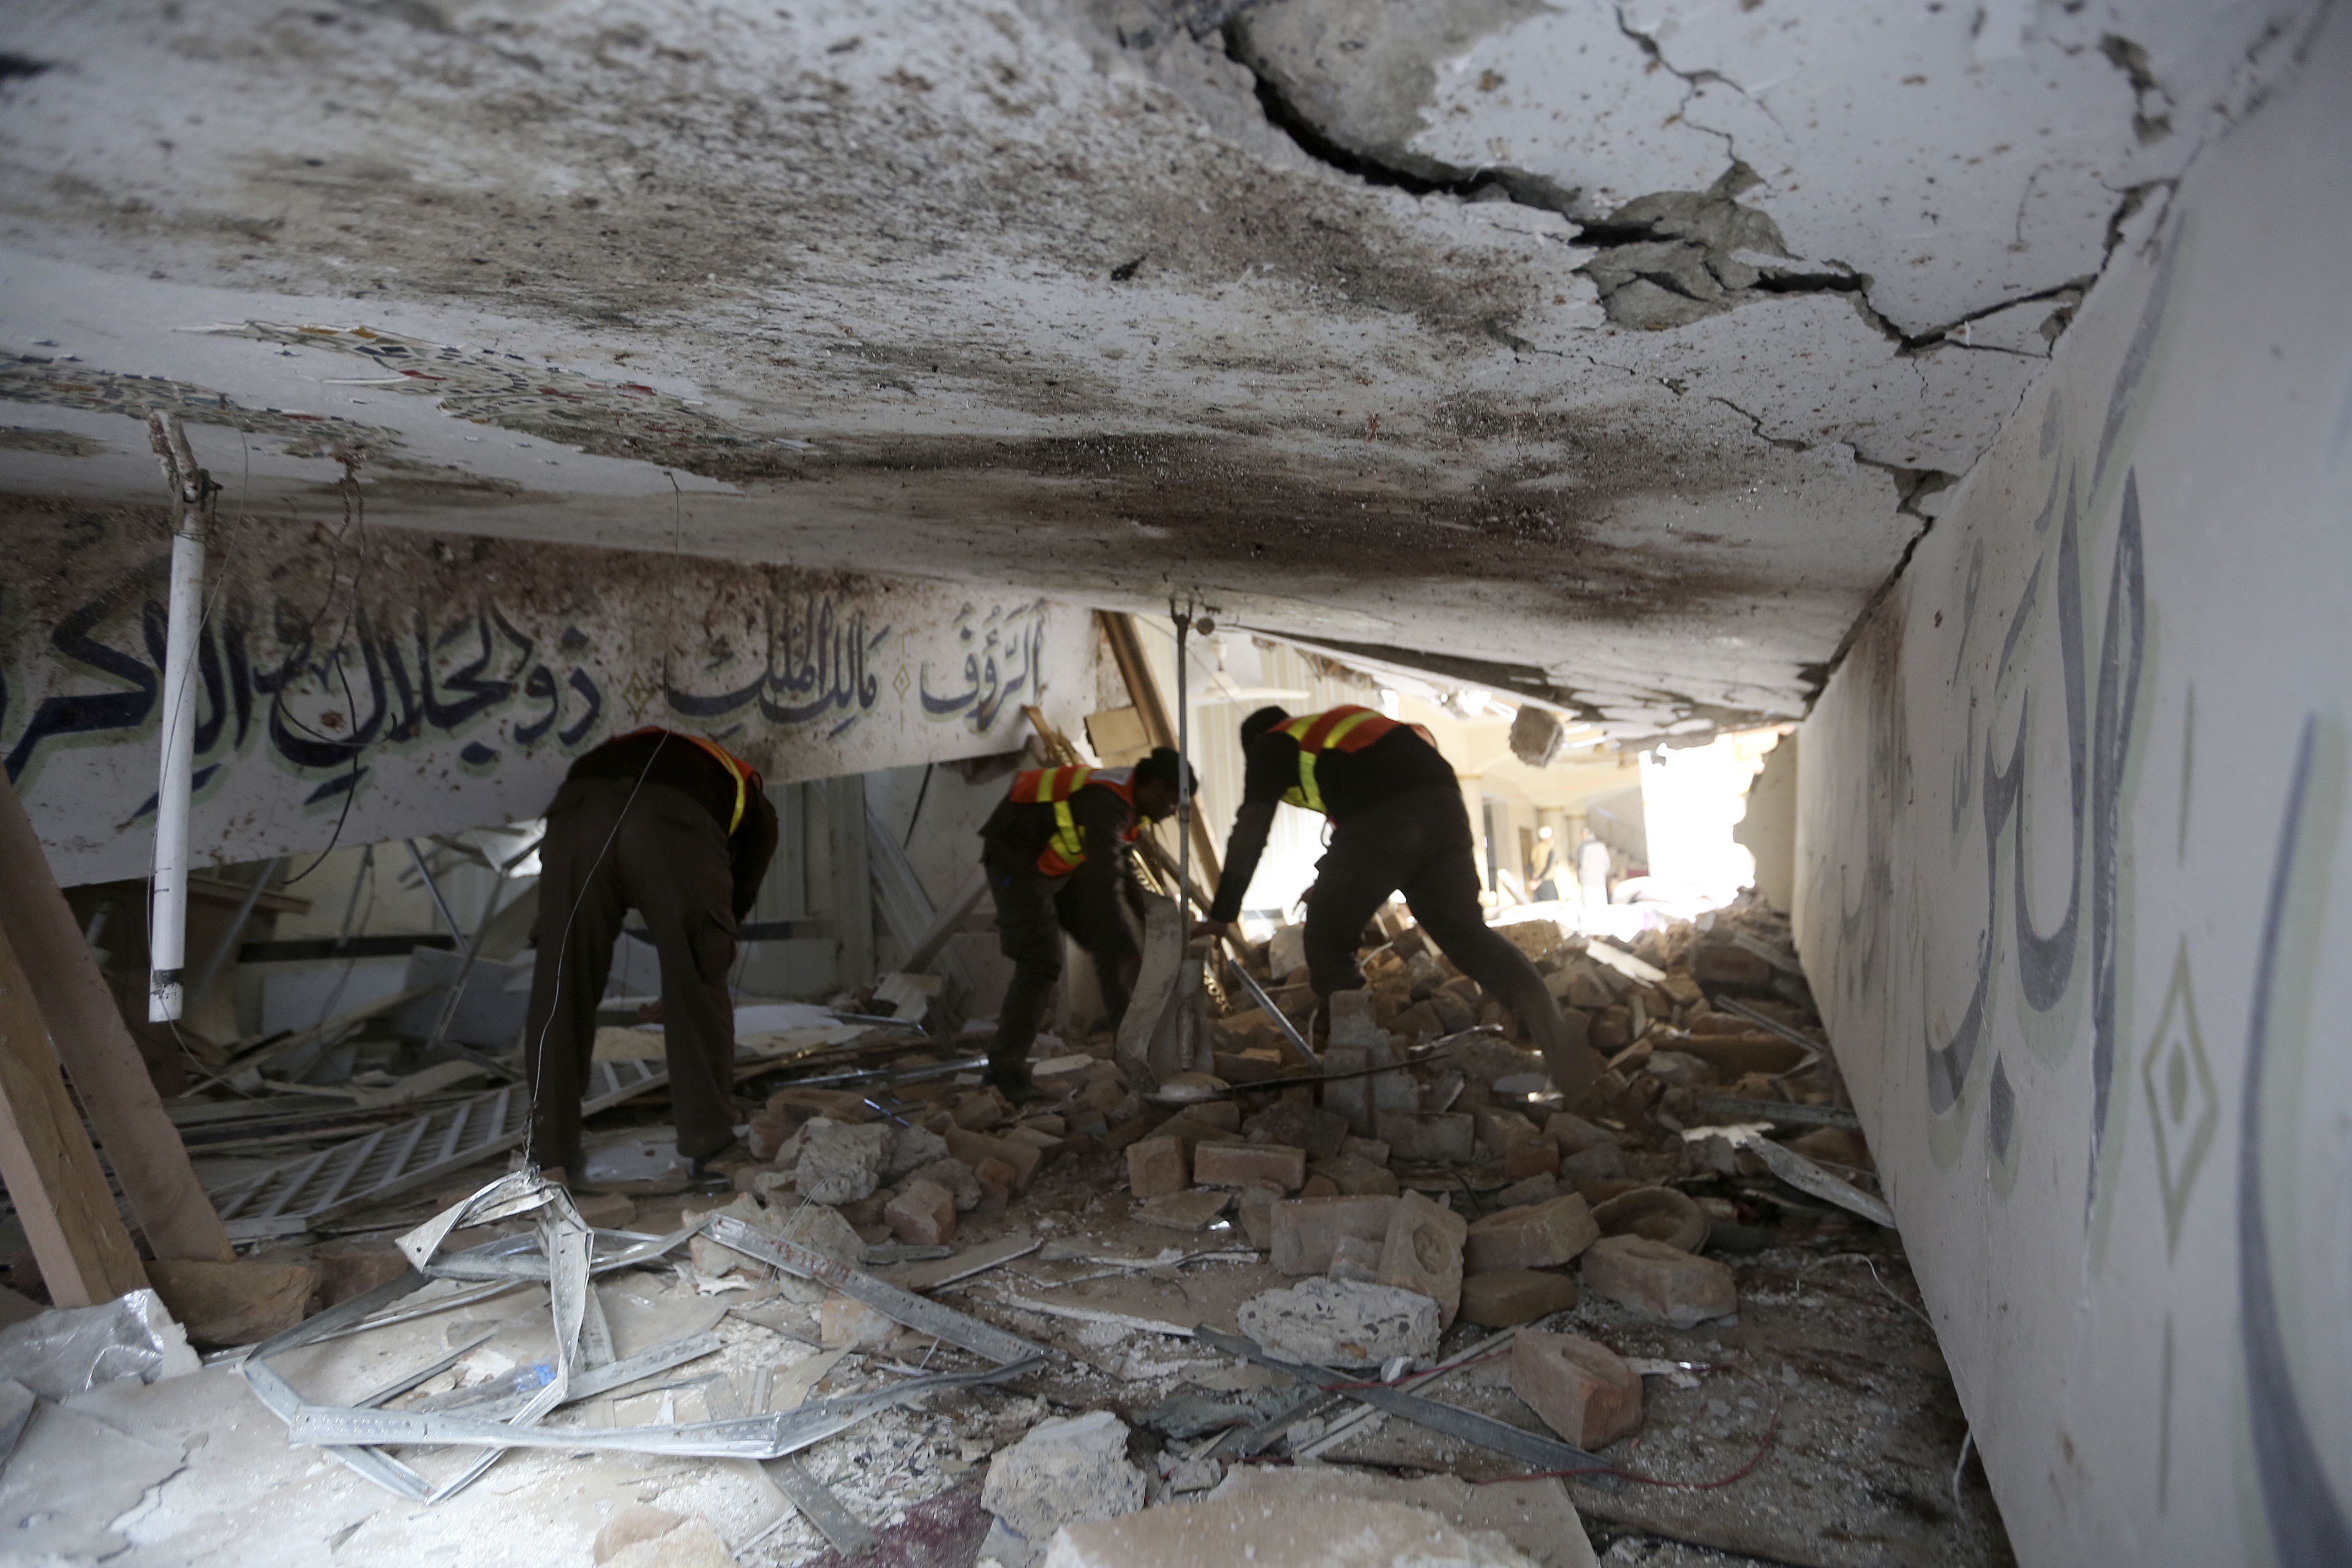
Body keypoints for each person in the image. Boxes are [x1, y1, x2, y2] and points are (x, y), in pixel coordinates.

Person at [1191, 705, 1602, 1099]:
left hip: (1389, 815)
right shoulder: (1337, 737)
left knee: (1329, 939)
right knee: (1466, 934)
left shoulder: (1274, 744)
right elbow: (1360, 816)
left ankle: (1359, 1067)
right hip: (1443, 805)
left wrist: (1223, 912)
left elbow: (1252, 828)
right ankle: (1558, 1043)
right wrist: (1330, 879)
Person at [522, 726, 779, 1183]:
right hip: (671, 820)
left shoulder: (620, 749)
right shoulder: (746, 793)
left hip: (578, 814)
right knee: (698, 981)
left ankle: (548, 1153)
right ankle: (709, 1143)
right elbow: (741, 881)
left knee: (559, 981)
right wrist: (706, 954)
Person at [979, 747, 1191, 1100]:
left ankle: (1128, 1047)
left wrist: (1164, 923)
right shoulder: (1106, 803)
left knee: (1109, 941)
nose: (1174, 813)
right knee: (1040, 964)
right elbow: (1103, 882)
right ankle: (1003, 1074)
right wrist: (1129, 954)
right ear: (1154, 787)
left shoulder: (1128, 806)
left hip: (1053, 868)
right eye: (1173, 802)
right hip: (1015, 861)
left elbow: (1122, 878)